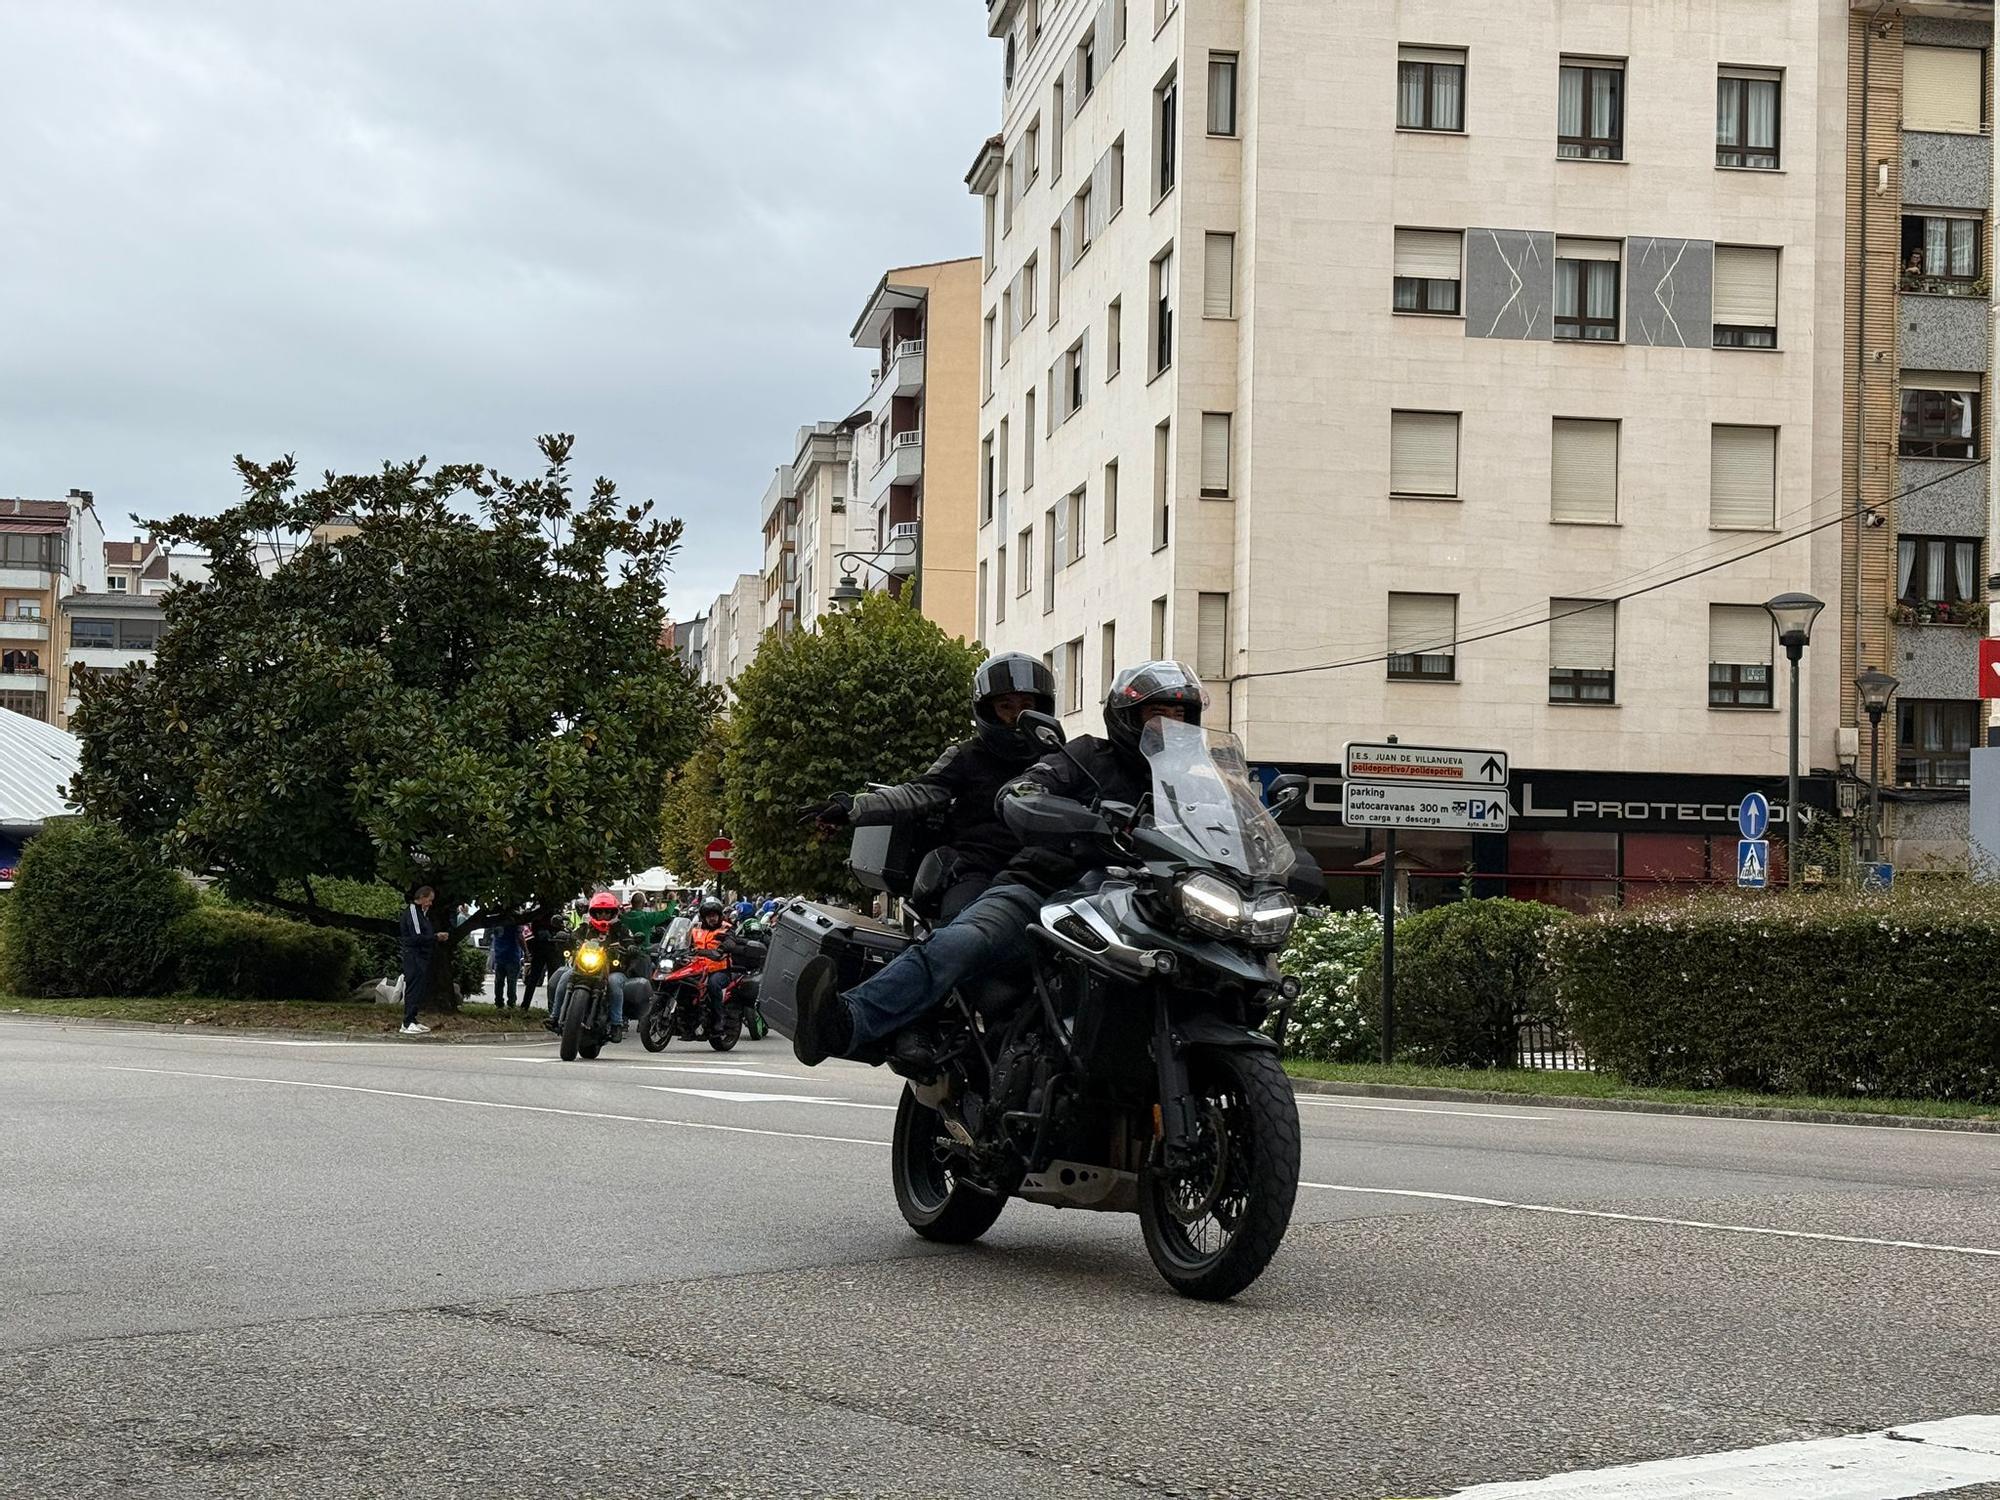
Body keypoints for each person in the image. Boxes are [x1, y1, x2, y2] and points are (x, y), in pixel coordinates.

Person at [793, 661, 1205, 1066]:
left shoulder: (1197, 782)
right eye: (1156, 714)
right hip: (1031, 881)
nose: (1168, 725)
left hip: (1137, 900)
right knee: (963, 941)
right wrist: (852, 808)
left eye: (1178, 714)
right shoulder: (1081, 757)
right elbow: (925, 793)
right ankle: (855, 1022)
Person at [801, 652, 1058, 922]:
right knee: (961, 939)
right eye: (1006, 706)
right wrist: (851, 806)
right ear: (987, 710)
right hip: (979, 873)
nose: (1017, 716)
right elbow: (916, 793)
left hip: (1043, 875)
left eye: (1026, 705)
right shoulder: (966, 755)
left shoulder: (1059, 758)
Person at [548, 892, 635, 1041]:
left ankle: (616, 1024)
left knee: (615, 984)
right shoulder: (585, 927)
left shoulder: (621, 929)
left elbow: (629, 942)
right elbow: (573, 936)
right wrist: (566, 938)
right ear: (593, 912)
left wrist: (631, 947)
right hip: (582, 968)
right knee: (564, 977)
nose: (603, 915)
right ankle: (555, 1017)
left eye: (607, 912)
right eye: (599, 911)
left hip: (612, 970)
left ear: (613, 912)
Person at [398, 886, 449, 1036]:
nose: (430, 904)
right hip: (414, 955)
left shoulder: (422, 914)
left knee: (419, 988)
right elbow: (417, 937)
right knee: (413, 987)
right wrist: (435, 937)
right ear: (422, 897)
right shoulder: (413, 912)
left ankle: (412, 1019)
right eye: (429, 900)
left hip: (421, 955)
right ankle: (407, 1022)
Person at [688, 896, 732, 1033]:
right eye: (708, 915)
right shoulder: (695, 929)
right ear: (703, 917)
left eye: (714, 915)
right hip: (697, 970)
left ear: (719, 916)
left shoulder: (726, 929)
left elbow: (731, 941)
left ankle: (720, 1018)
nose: (711, 918)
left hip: (720, 970)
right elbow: (682, 941)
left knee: (713, 984)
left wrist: (722, 948)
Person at [522, 910, 564, 1013]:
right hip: (543, 949)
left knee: (551, 981)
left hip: (549, 949)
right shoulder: (540, 913)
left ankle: (553, 1010)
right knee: (537, 980)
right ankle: (551, 1010)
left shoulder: (546, 912)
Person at [490, 919, 525, 1009]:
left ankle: (499, 1002)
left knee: (499, 981)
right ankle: (511, 1003)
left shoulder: (497, 920)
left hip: (499, 955)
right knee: (512, 981)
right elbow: (520, 937)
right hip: (512, 955)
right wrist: (526, 951)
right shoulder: (515, 920)